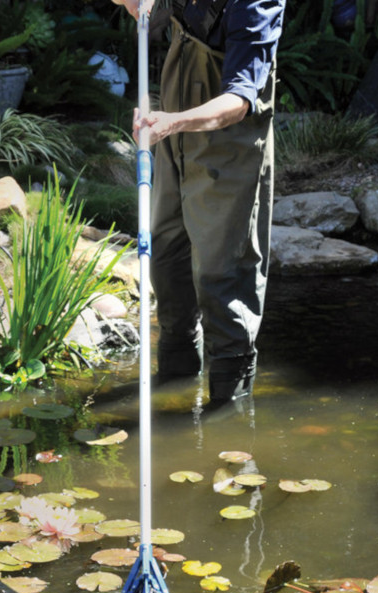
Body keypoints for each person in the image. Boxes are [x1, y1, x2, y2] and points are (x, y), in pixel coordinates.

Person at [111, 0, 286, 406]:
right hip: (175, 135)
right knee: (167, 260)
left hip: (228, 143)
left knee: (222, 276)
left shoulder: (255, 5)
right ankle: (173, 390)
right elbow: (152, 16)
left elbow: (239, 101)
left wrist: (172, 121)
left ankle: (230, 413)